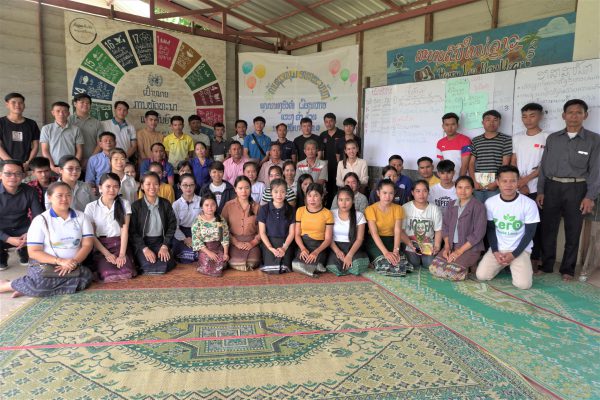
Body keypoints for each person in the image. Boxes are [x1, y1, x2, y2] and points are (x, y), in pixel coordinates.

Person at [537, 99, 600, 281]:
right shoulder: (553, 138)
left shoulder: (594, 140)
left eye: (578, 112)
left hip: (577, 187)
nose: (574, 116)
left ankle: (568, 269)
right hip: (552, 186)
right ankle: (547, 264)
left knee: (574, 229)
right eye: (570, 112)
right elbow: (544, 167)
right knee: (548, 228)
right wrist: (541, 190)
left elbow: (596, 171)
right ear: (563, 115)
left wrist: (590, 196)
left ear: (585, 116)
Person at [0, 182, 94, 297]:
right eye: (59, 195)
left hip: (72, 263)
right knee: (41, 283)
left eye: (68, 195)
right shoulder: (40, 220)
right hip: (44, 264)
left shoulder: (82, 217)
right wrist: (60, 261)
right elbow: (34, 252)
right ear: (49, 198)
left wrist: (73, 262)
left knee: (86, 277)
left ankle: (26, 287)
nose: (65, 199)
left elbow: (87, 245)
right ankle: (9, 285)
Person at [477, 165, 539, 289]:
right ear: (497, 183)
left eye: (513, 181)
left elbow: (530, 233)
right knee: (481, 276)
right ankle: (504, 265)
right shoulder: (490, 203)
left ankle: (515, 264)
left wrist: (514, 254)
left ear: (518, 183)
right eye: (504, 181)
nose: (508, 185)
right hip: (499, 249)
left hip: (519, 249)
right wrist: (495, 251)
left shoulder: (529, 203)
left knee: (523, 285)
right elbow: (491, 229)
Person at [511, 103, 549, 270]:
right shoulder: (517, 137)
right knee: (517, 224)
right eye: (524, 116)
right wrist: (519, 183)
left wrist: (525, 180)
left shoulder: (548, 137)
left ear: (540, 116)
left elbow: (546, 165)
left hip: (537, 189)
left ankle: (535, 258)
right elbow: (514, 161)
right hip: (518, 188)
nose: (528, 119)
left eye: (532, 115)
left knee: (537, 225)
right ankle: (516, 256)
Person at [84, 173, 136, 282]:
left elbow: (124, 230)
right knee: (107, 274)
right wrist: (107, 254)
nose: (112, 190)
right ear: (100, 188)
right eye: (108, 186)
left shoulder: (124, 204)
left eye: (116, 186)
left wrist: (122, 255)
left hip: (120, 244)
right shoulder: (91, 207)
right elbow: (92, 235)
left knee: (126, 272)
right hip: (101, 246)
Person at [0, 160, 44, 270]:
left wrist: (29, 233)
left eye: (18, 173)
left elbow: (38, 216)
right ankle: (2, 255)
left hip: (23, 230)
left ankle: (23, 251)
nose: (13, 177)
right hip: (2, 230)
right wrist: (8, 238)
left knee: (43, 231)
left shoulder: (30, 191)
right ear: (0, 174)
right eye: (8, 173)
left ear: (23, 175)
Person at [130, 172, 177, 274]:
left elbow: (172, 225)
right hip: (143, 243)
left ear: (159, 185)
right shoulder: (136, 206)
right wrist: (144, 248)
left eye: (155, 184)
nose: (152, 187)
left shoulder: (165, 203)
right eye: (148, 184)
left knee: (165, 265)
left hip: (161, 241)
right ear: (142, 186)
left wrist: (165, 246)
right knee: (148, 264)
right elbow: (132, 231)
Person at [441, 176, 487, 274]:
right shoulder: (451, 204)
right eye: (460, 187)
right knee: (435, 268)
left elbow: (479, 233)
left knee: (450, 272)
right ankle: (467, 266)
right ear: (456, 188)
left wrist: (459, 251)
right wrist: (447, 247)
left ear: (472, 189)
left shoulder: (479, 206)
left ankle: (472, 263)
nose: (463, 191)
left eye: (467, 188)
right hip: (452, 245)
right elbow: (445, 226)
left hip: (470, 247)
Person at [365, 180, 411, 276]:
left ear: (394, 194)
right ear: (378, 193)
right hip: (375, 241)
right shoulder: (370, 209)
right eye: (384, 193)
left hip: (391, 240)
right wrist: (386, 252)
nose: (387, 196)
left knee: (400, 262)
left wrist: (396, 250)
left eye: (391, 193)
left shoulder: (398, 209)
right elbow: (374, 233)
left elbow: (398, 231)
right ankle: (374, 261)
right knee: (385, 262)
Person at [469, 110, 512, 203]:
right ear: (483, 123)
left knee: (493, 212)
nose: (491, 123)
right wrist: (473, 181)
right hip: (478, 185)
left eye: (495, 120)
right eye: (488, 120)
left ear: (499, 122)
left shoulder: (506, 139)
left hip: (495, 186)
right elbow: (471, 163)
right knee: (478, 212)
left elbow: (505, 164)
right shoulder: (476, 140)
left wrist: (497, 182)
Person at [326, 186, 369, 276]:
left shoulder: (359, 215)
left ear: (353, 200)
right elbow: (328, 237)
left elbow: (360, 239)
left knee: (357, 266)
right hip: (335, 246)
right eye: (341, 200)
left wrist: (349, 255)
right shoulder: (331, 214)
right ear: (337, 201)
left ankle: (350, 264)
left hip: (352, 246)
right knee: (334, 267)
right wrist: (337, 251)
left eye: (347, 200)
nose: (344, 203)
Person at [221, 176, 261, 271]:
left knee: (253, 262)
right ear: (235, 189)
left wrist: (252, 243)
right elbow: (223, 228)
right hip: (233, 241)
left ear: (250, 189)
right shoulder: (228, 206)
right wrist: (236, 242)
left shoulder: (257, 207)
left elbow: (262, 230)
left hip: (251, 241)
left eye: (247, 188)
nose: (244, 191)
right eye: (240, 188)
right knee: (235, 261)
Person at [293, 183, 333, 276]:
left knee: (318, 266)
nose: (312, 199)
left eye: (316, 196)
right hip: (304, 244)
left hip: (319, 246)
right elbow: (297, 234)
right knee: (296, 265)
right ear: (306, 197)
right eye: (309, 195)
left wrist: (316, 252)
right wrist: (303, 249)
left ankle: (316, 266)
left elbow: (328, 239)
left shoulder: (327, 213)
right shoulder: (300, 211)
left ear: (322, 196)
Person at [402, 180, 442, 270]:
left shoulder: (435, 209)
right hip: (411, 244)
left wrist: (437, 246)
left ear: (428, 192)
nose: (421, 194)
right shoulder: (405, 208)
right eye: (418, 191)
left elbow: (438, 231)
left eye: (424, 191)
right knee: (413, 263)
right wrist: (410, 244)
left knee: (429, 265)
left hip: (428, 245)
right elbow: (401, 231)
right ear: (412, 192)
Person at [258, 179, 295, 273]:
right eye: (276, 191)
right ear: (271, 193)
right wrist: (270, 248)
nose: (279, 195)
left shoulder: (291, 210)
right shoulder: (264, 209)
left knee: (284, 268)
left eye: (282, 191)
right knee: (270, 268)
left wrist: (284, 247)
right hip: (269, 242)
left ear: (286, 193)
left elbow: (292, 233)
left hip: (286, 242)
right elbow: (262, 233)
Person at [192, 194, 230, 276]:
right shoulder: (197, 221)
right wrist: (208, 252)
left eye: (213, 204)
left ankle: (217, 267)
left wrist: (226, 253)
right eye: (206, 205)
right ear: (202, 206)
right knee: (207, 261)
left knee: (221, 260)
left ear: (216, 205)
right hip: (205, 249)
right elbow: (196, 240)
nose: (210, 207)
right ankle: (205, 267)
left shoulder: (220, 220)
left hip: (218, 247)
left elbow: (224, 237)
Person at [40, 101, 83, 174]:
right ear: (53, 113)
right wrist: (52, 166)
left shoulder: (76, 129)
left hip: (70, 167)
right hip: (53, 167)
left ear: (68, 113)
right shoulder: (46, 129)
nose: (61, 114)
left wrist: (74, 166)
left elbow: (79, 150)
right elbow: (45, 150)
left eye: (64, 111)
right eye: (58, 111)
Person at [0, 93, 40, 168]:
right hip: (6, 165)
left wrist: (29, 162)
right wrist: (11, 163)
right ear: (7, 105)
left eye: (20, 102)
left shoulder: (32, 124)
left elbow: (36, 146)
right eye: (13, 102)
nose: (17, 105)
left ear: (24, 105)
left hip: (26, 165)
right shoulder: (1, 122)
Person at [171, 173, 202, 264]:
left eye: (191, 185)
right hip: (181, 233)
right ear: (179, 186)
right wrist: (185, 239)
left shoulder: (201, 201)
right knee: (185, 253)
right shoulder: (176, 204)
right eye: (185, 185)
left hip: (199, 232)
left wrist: (196, 238)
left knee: (201, 251)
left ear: (195, 186)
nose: (188, 188)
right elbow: (175, 227)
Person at [69, 93, 103, 170]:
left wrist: (90, 160)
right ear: (75, 104)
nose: (85, 104)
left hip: (93, 161)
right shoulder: (68, 121)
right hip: (71, 162)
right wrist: (75, 161)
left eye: (87, 103)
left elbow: (100, 143)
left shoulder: (97, 122)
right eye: (82, 102)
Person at [320, 113, 344, 207]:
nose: (328, 123)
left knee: (339, 189)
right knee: (328, 190)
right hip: (327, 167)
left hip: (340, 166)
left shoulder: (342, 134)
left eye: (331, 121)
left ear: (335, 121)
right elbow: (320, 154)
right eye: (326, 122)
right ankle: (329, 209)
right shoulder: (322, 135)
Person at [436, 112, 472, 177]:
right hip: (447, 180)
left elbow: (465, 165)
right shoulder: (440, 143)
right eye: (447, 125)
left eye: (453, 124)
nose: (450, 128)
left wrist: (460, 180)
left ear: (457, 125)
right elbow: (442, 164)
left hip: (462, 179)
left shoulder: (465, 140)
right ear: (443, 126)